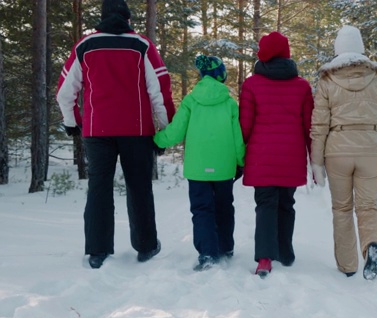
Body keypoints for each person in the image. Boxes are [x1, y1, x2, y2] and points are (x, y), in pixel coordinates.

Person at [56, 0, 175, 269]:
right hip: (138, 129)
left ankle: (97, 251)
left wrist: (72, 121)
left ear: (102, 17)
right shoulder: (141, 45)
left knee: (99, 187)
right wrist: (164, 130)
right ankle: (146, 246)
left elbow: (65, 91)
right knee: (139, 186)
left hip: (97, 129)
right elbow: (159, 90)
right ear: (127, 19)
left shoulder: (85, 45)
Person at [310, 25, 377, 280]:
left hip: (337, 150)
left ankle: (348, 266)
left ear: (338, 49)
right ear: (360, 48)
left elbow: (319, 125)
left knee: (342, 209)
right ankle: (372, 246)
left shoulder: (327, 79)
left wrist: (316, 163)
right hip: (371, 148)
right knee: (368, 206)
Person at [154, 55, 245, 271]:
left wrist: (157, 140)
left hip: (197, 169)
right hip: (224, 168)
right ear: (220, 74)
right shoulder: (230, 103)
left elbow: (176, 131)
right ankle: (226, 247)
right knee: (224, 207)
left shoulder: (191, 100)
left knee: (202, 210)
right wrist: (241, 161)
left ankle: (207, 253)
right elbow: (237, 137)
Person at [239, 31, 314, 277]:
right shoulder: (302, 86)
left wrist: (239, 157)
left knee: (265, 205)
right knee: (286, 204)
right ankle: (285, 252)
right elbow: (309, 127)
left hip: (261, 158)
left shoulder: (251, 84)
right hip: (291, 157)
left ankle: (264, 258)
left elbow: (245, 127)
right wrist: (315, 162)